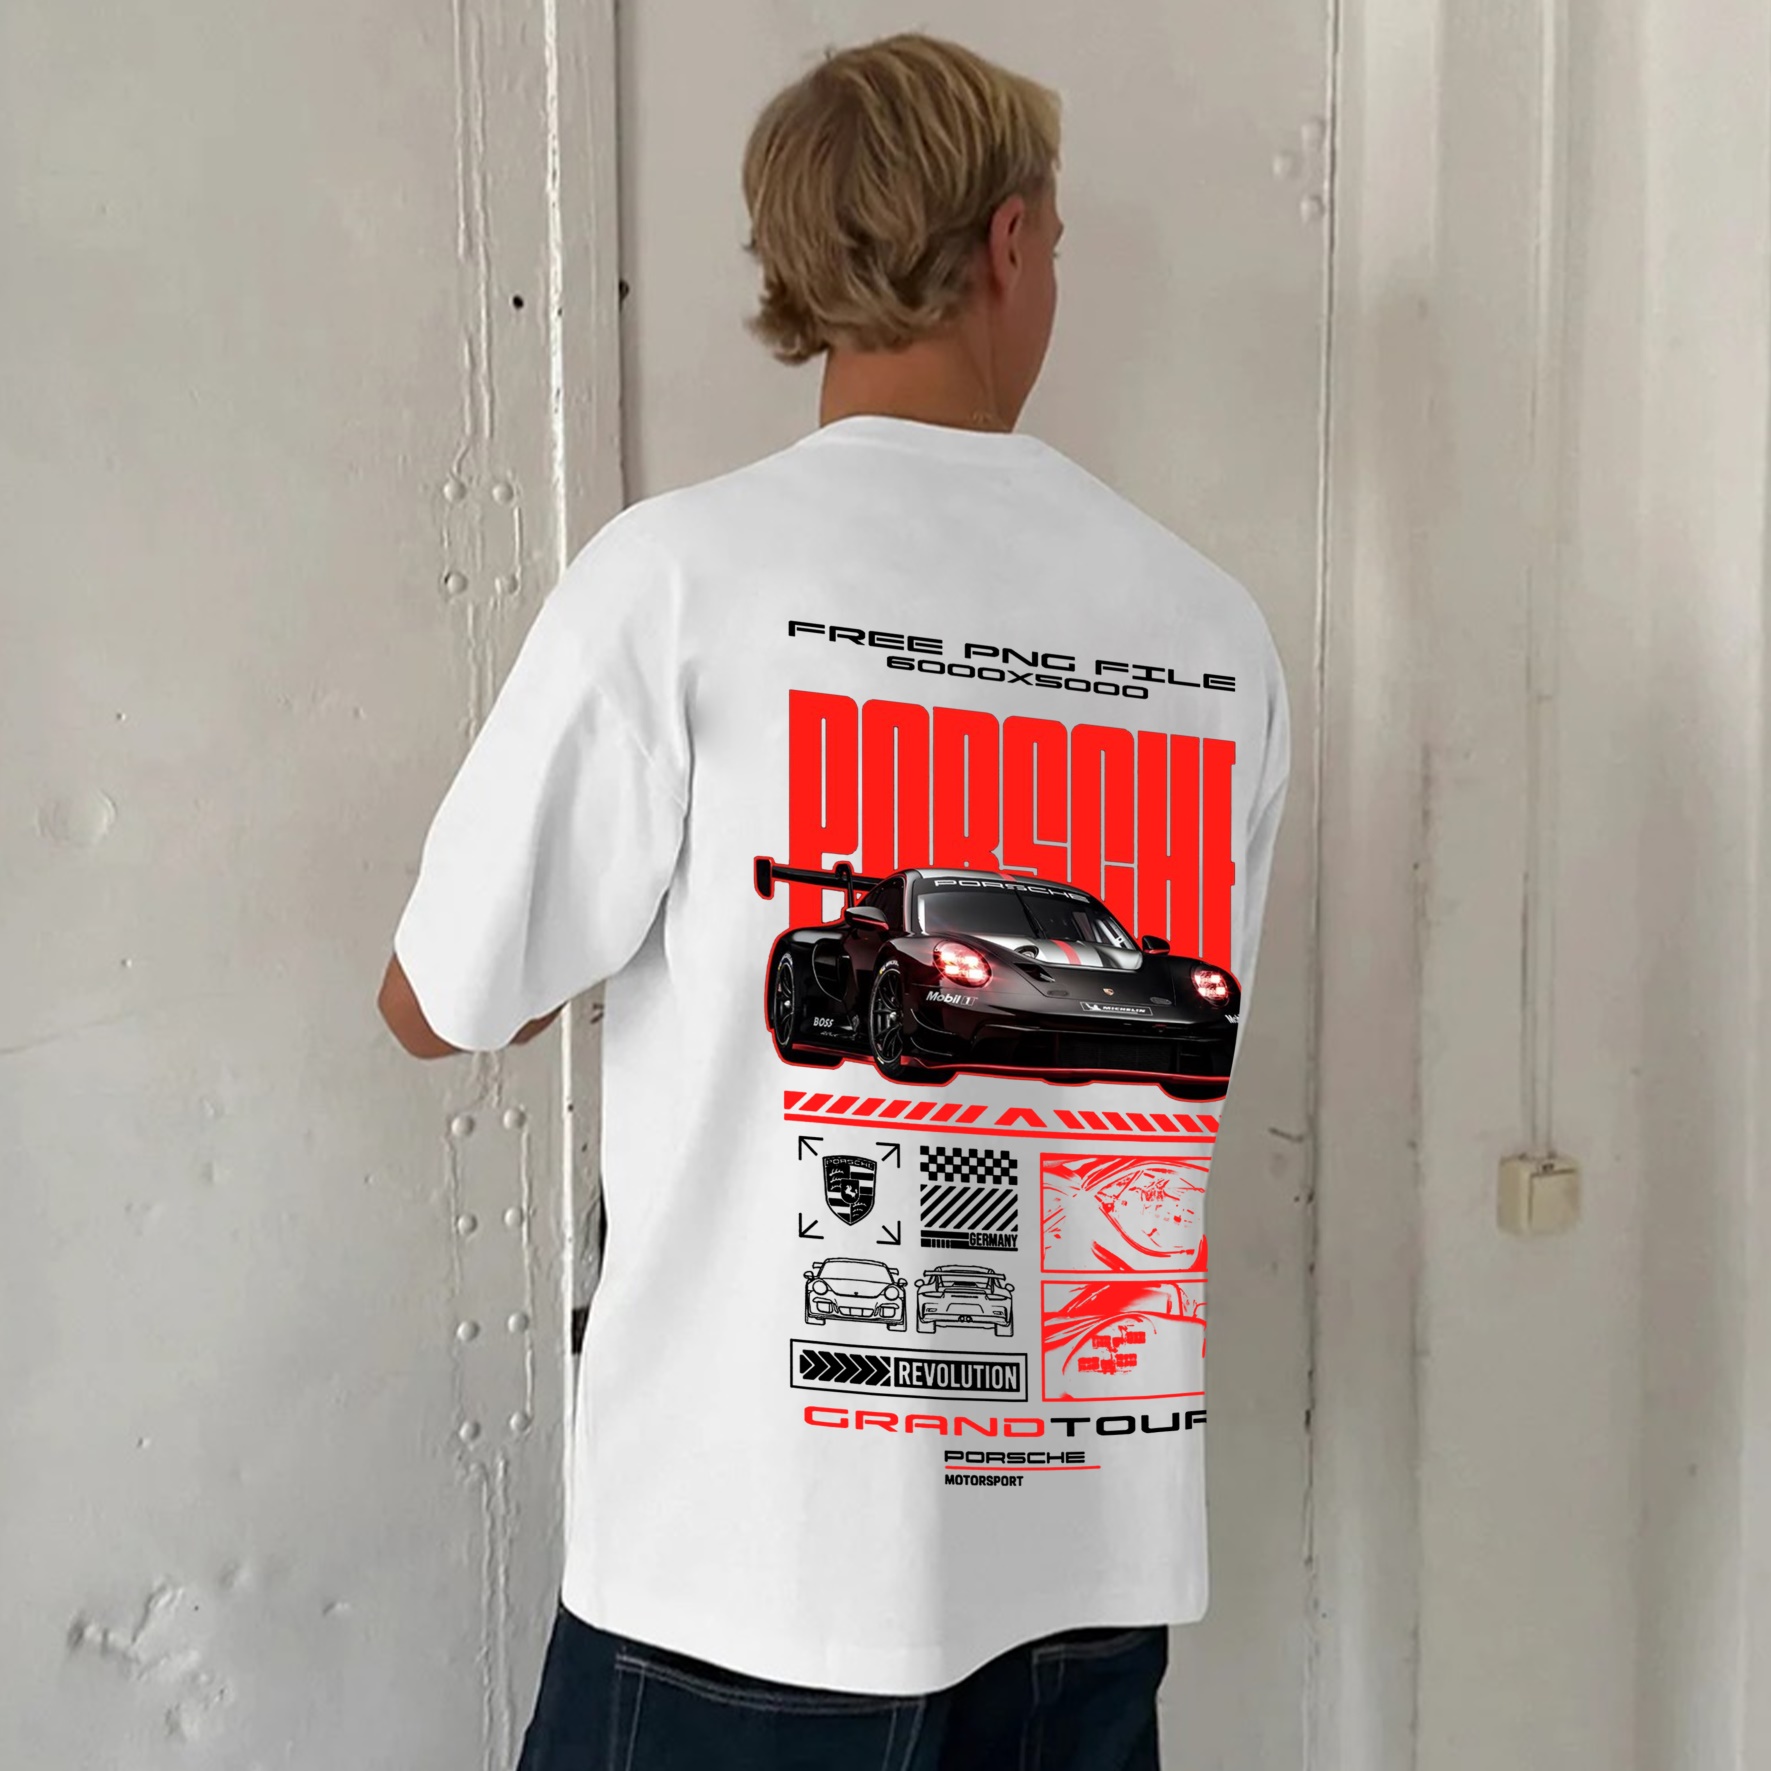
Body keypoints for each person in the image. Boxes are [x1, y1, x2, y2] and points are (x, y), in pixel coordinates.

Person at [379, 31, 1289, 1771]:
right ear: (1008, 242)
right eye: (1054, 241)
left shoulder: (679, 578)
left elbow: (439, 1001)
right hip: (1083, 1575)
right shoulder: (1211, 632)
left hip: (746, 1570)